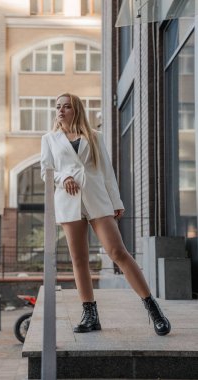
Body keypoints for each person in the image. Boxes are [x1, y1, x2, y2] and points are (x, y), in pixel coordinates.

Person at [41, 93, 171, 336]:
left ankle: (153, 309)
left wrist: (116, 200)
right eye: (57, 106)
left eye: (66, 106)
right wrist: (63, 177)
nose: (60, 110)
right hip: (68, 202)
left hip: (97, 199)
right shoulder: (49, 139)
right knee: (79, 260)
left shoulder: (94, 136)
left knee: (118, 252)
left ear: (76, 109)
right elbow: (46, 171)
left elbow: (107, 171)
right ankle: (90, 315)